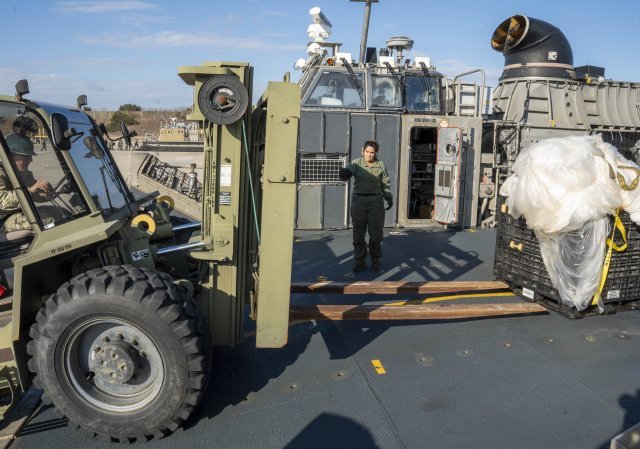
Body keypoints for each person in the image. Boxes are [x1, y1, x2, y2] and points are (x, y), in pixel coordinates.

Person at [339, 140, 393, 271]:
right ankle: (360, 260)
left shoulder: (381, 165)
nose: (369, 155)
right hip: (359, 202)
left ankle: (375, 258)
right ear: (363, 151)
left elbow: (385, 184)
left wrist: (389, 198)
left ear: (376, 153)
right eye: (367, 152)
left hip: (376, 202)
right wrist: (344, 173)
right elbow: (346, 173)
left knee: (376, 235)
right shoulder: (356, 163)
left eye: (372, 153)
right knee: (358, 234)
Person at [0, 134, 53, 232]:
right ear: (13, 156)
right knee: (48, 221)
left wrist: (45, 193)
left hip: (19, 213)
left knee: (56, 212)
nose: (31, 160)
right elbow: (2, 201)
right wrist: (30, 190)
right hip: (3, 220)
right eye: (27, 157)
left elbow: (35, 196)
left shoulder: (23, 173)